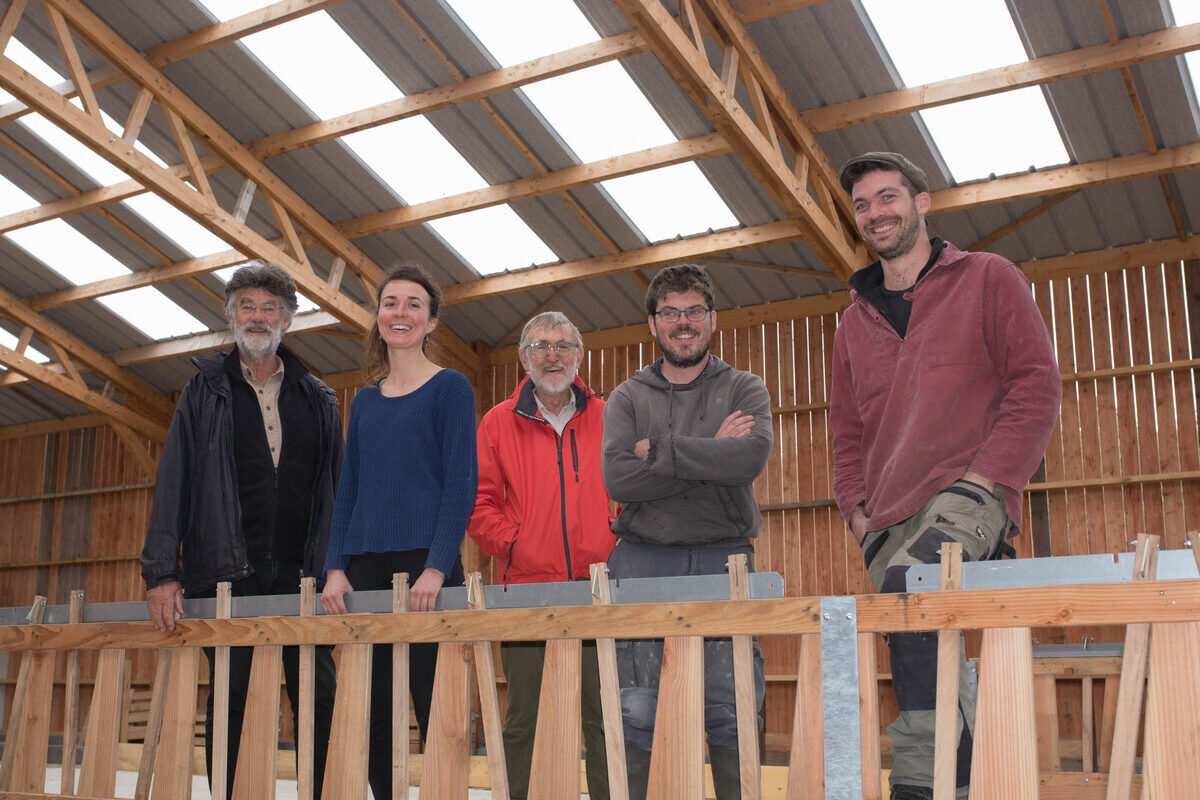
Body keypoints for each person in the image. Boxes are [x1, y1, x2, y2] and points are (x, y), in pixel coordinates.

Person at [829, 152, 1061, 800]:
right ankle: (964, 780)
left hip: (969, 491)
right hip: (886, 517)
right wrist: (857, 512)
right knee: (922, 640)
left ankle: (918, 783)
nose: (876, 212)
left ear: (922, 202)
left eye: (888, 197)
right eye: (863, 205)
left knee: (915, 590)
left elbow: (1036, 387)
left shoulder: (988, 279)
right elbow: (846, 433)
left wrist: (986, 480)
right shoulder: (853, 322)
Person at [140, 261, 340, 799]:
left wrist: (333, 567)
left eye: (269, 308)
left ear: (288, 320)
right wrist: (162, 572)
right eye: (247, 307)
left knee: (319, 693)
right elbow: (174, 480)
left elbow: (335, 491)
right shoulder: (203, 391)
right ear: (230, 317)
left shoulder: (318, 397)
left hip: (302, 576)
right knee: (233, 699)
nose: (258, 317)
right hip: (227, 574)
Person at [600, 264, 771, 800]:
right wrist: (709, 450)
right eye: (670, 312)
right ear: (653, 324)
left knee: (732, 705)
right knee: (638, 707)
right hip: (644, 561)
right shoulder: (629, 396)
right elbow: (619, 477)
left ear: (712, 319)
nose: (683, 322)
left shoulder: (744, 386)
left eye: (693, 310)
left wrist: (664, 451)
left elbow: (748, 458)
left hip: (725, 562)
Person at [320, 263, 477, 800]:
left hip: (428, 567)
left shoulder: (451, 389)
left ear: (431, 322)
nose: (400, 313)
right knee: (372, 708)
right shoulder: (363, 403)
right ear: (379, 317)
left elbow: (461, 484)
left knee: (437, 705)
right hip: (363, 568)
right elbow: (348, 491)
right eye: (391, 303)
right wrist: (335, 567)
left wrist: (437, 566)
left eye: (414, 304)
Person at [468, 311, 615, 800]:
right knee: (523, 719)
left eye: (562, 345)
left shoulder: (610, 415)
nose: (552, 356)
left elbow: (636, 490)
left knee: (604, 716)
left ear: (579, 353)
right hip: (528, 591)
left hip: (601, 590)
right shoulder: (496, 423)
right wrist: (517, 543)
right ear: (523, 357)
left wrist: (618, 539)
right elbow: (480, 503)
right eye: (540, 346)